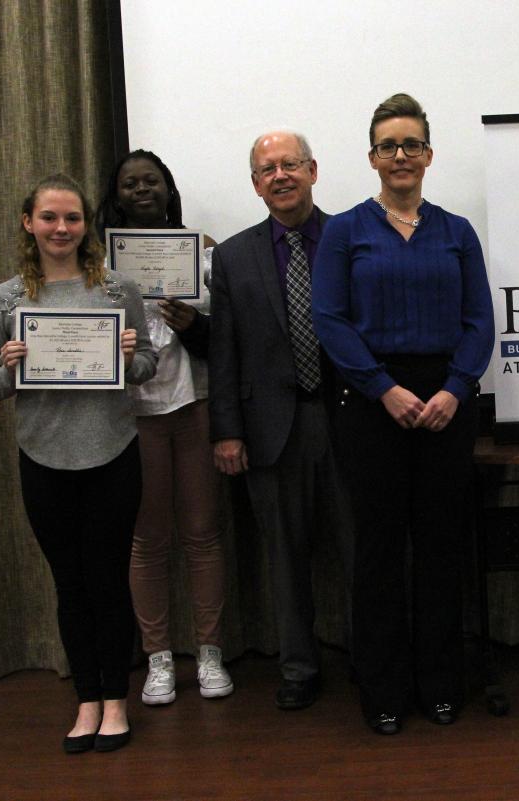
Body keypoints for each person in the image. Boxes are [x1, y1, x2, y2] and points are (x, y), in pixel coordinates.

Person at [312, 93, 495, 735]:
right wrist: (383, 389)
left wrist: (455, 389)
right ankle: (383, 689)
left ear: (429, 155)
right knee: (379, 553)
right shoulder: (344, 231)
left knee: (443, 549)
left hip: (447, 403)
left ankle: (442, 683)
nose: (400, 156)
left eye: (411, 145)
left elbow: (480, 323)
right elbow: (330, 322)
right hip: (370, 404)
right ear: (371, 158)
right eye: (388, 146)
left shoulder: (457, 231)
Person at [0, 174, 156, 753]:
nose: (61, 228)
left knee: (108, 581)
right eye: (50, 218)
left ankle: (115, 701)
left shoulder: (115, 290)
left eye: (73, 218)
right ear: (29, 223)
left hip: (111, 453)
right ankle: (85, 697)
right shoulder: (5, 299)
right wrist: (8, 366)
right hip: (43, 458)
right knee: (70, 585)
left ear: (87, 226)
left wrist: (131, 357)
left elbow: (148, 366)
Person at [95, 150, 233, 705]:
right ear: (118, 194)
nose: (142, 189)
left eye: (152, 181)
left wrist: (195, 325)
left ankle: (209, 654)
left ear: (168, 190)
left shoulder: (203, 255)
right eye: (131, 183)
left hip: (194, 405)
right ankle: (157, 658)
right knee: (147, 540)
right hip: (131, 415)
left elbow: (232, 338)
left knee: (202, 534)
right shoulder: (96, 265)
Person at [209, 131, 337, 710]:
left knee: (365, 551)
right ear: (255, 183)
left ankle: (374, 658)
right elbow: (225, 351)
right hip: (269, 432)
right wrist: (227, 430)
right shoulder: (233, 257)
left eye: (291, 164)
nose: (280, 175)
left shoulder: (350, 238)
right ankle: (299, 668)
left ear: (313, 170)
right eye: (267, 169)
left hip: (346, 422)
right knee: (285, 560)